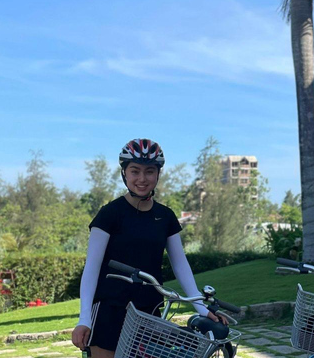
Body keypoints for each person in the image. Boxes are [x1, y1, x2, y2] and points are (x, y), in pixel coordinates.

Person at [71, 139, 222, 358]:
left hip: (148, 311)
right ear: (124, 173)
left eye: (149, 171)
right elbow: (92, 268)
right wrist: (84, 319)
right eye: (135, 171)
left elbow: (180, 264)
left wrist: (200, 307)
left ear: (158, 174)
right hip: (109, 309)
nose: (142, 179)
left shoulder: (165, 217)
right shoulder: (110, 214)